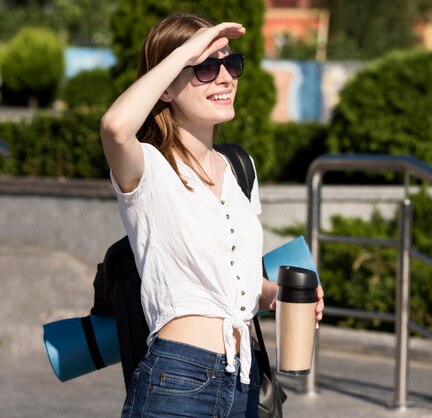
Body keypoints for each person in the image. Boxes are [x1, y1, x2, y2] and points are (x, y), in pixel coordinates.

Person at [100, 13, 324, 418]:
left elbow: (233, 282)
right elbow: (115, 126)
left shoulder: (239, 167)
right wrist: (187, 48)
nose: (225, 78)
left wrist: (275, 295)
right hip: (178, 378)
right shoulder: (148, 168)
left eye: (230, 64)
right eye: (205, 68)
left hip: (244, 378)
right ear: (166, 87)